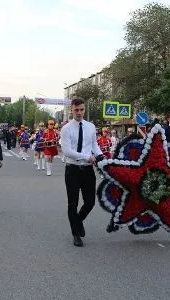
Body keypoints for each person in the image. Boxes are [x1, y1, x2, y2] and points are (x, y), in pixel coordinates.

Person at [61, 96, 103, 247]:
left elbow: (94, 145)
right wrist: (87, 156)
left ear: (85, 109)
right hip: (72, 170)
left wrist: (100, 156)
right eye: (76, 110)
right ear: (71, 109)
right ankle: (76, 234)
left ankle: (77, 222)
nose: (79, 112)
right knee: (73, 203)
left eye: (82, 110)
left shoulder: (90, 127)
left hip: (87, 170)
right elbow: (67, 151)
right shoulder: (66, 129)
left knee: (90, 202)